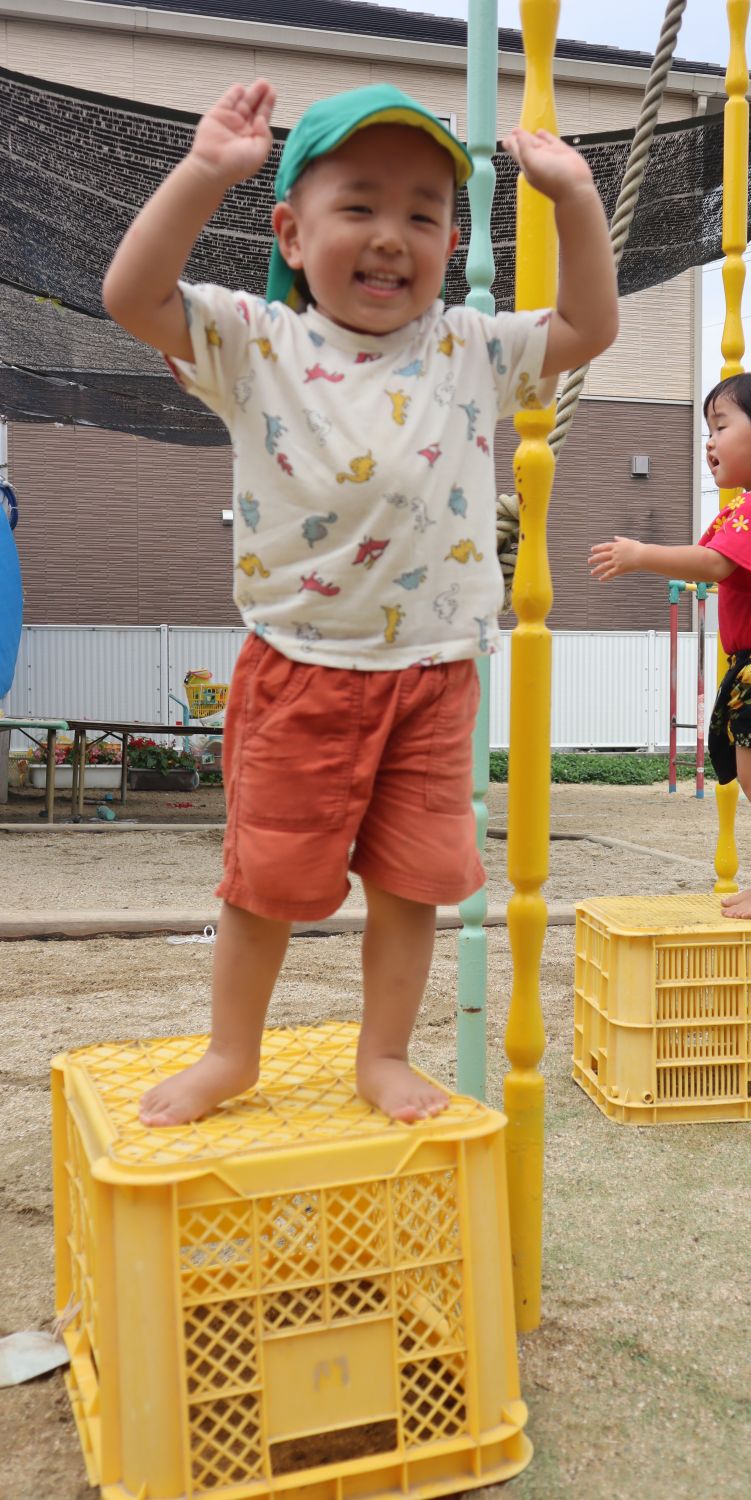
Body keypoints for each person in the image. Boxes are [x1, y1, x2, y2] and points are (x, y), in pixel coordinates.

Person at [102, 79, 618, 1126]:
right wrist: (206, 174)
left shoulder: (469, 347)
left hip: (432, 678)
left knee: (412, 884)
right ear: (291, 234)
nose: (393, 237)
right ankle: (230, 1054)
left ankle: (383, 1056)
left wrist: (574, 200)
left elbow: (586, 325)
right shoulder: (254, 344)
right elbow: (131, 295)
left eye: (424, 214)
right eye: (361, 207)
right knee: (263, 885)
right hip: (299, 667)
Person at [590, 371, 751, 919]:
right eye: (708, 429)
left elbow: (716, 562)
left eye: (721, 426)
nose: (710, 441)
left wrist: (641, 553)